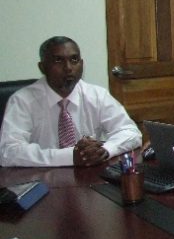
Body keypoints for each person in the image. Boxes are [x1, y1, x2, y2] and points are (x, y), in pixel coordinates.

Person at [0, 36, 142, 167]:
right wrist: (69, 156)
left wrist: (105, 150)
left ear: (82, 64)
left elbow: (131, 133)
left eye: (74, 60)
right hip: (41, 180)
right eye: (58, 60)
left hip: (89, 179)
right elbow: (9, 152)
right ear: (42, 67)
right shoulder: (22, 101)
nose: (68, 68)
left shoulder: (97, 95)